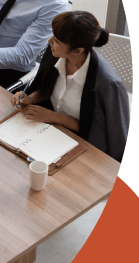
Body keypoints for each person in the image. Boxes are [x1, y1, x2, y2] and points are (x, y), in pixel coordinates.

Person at [11, 11, 130, 162]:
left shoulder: (108, 85)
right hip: (49, 133)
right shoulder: (55, 54)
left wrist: (54, 117)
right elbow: (47, 89)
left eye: (56, 41)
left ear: (78, 51)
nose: (49, 41)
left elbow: (107, 134)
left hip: (84, 148)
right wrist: (30, 98)